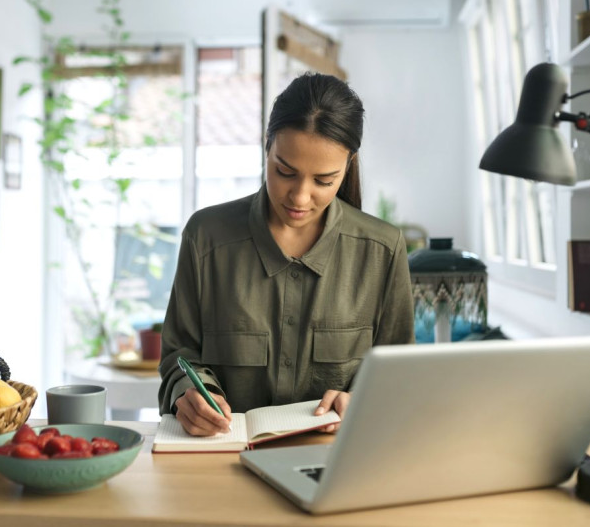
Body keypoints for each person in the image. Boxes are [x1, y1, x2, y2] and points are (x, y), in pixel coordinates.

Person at [158, 72, 415, 436]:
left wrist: (363, 399)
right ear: (267, 147)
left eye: (324, 181)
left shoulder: (382, 250)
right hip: (221, 458)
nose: (299, 197)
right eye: (284, 171)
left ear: (349, 165)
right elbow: (178, 355)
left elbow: (399, 374)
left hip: (335, 462)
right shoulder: (206, 237)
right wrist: (191, 395)